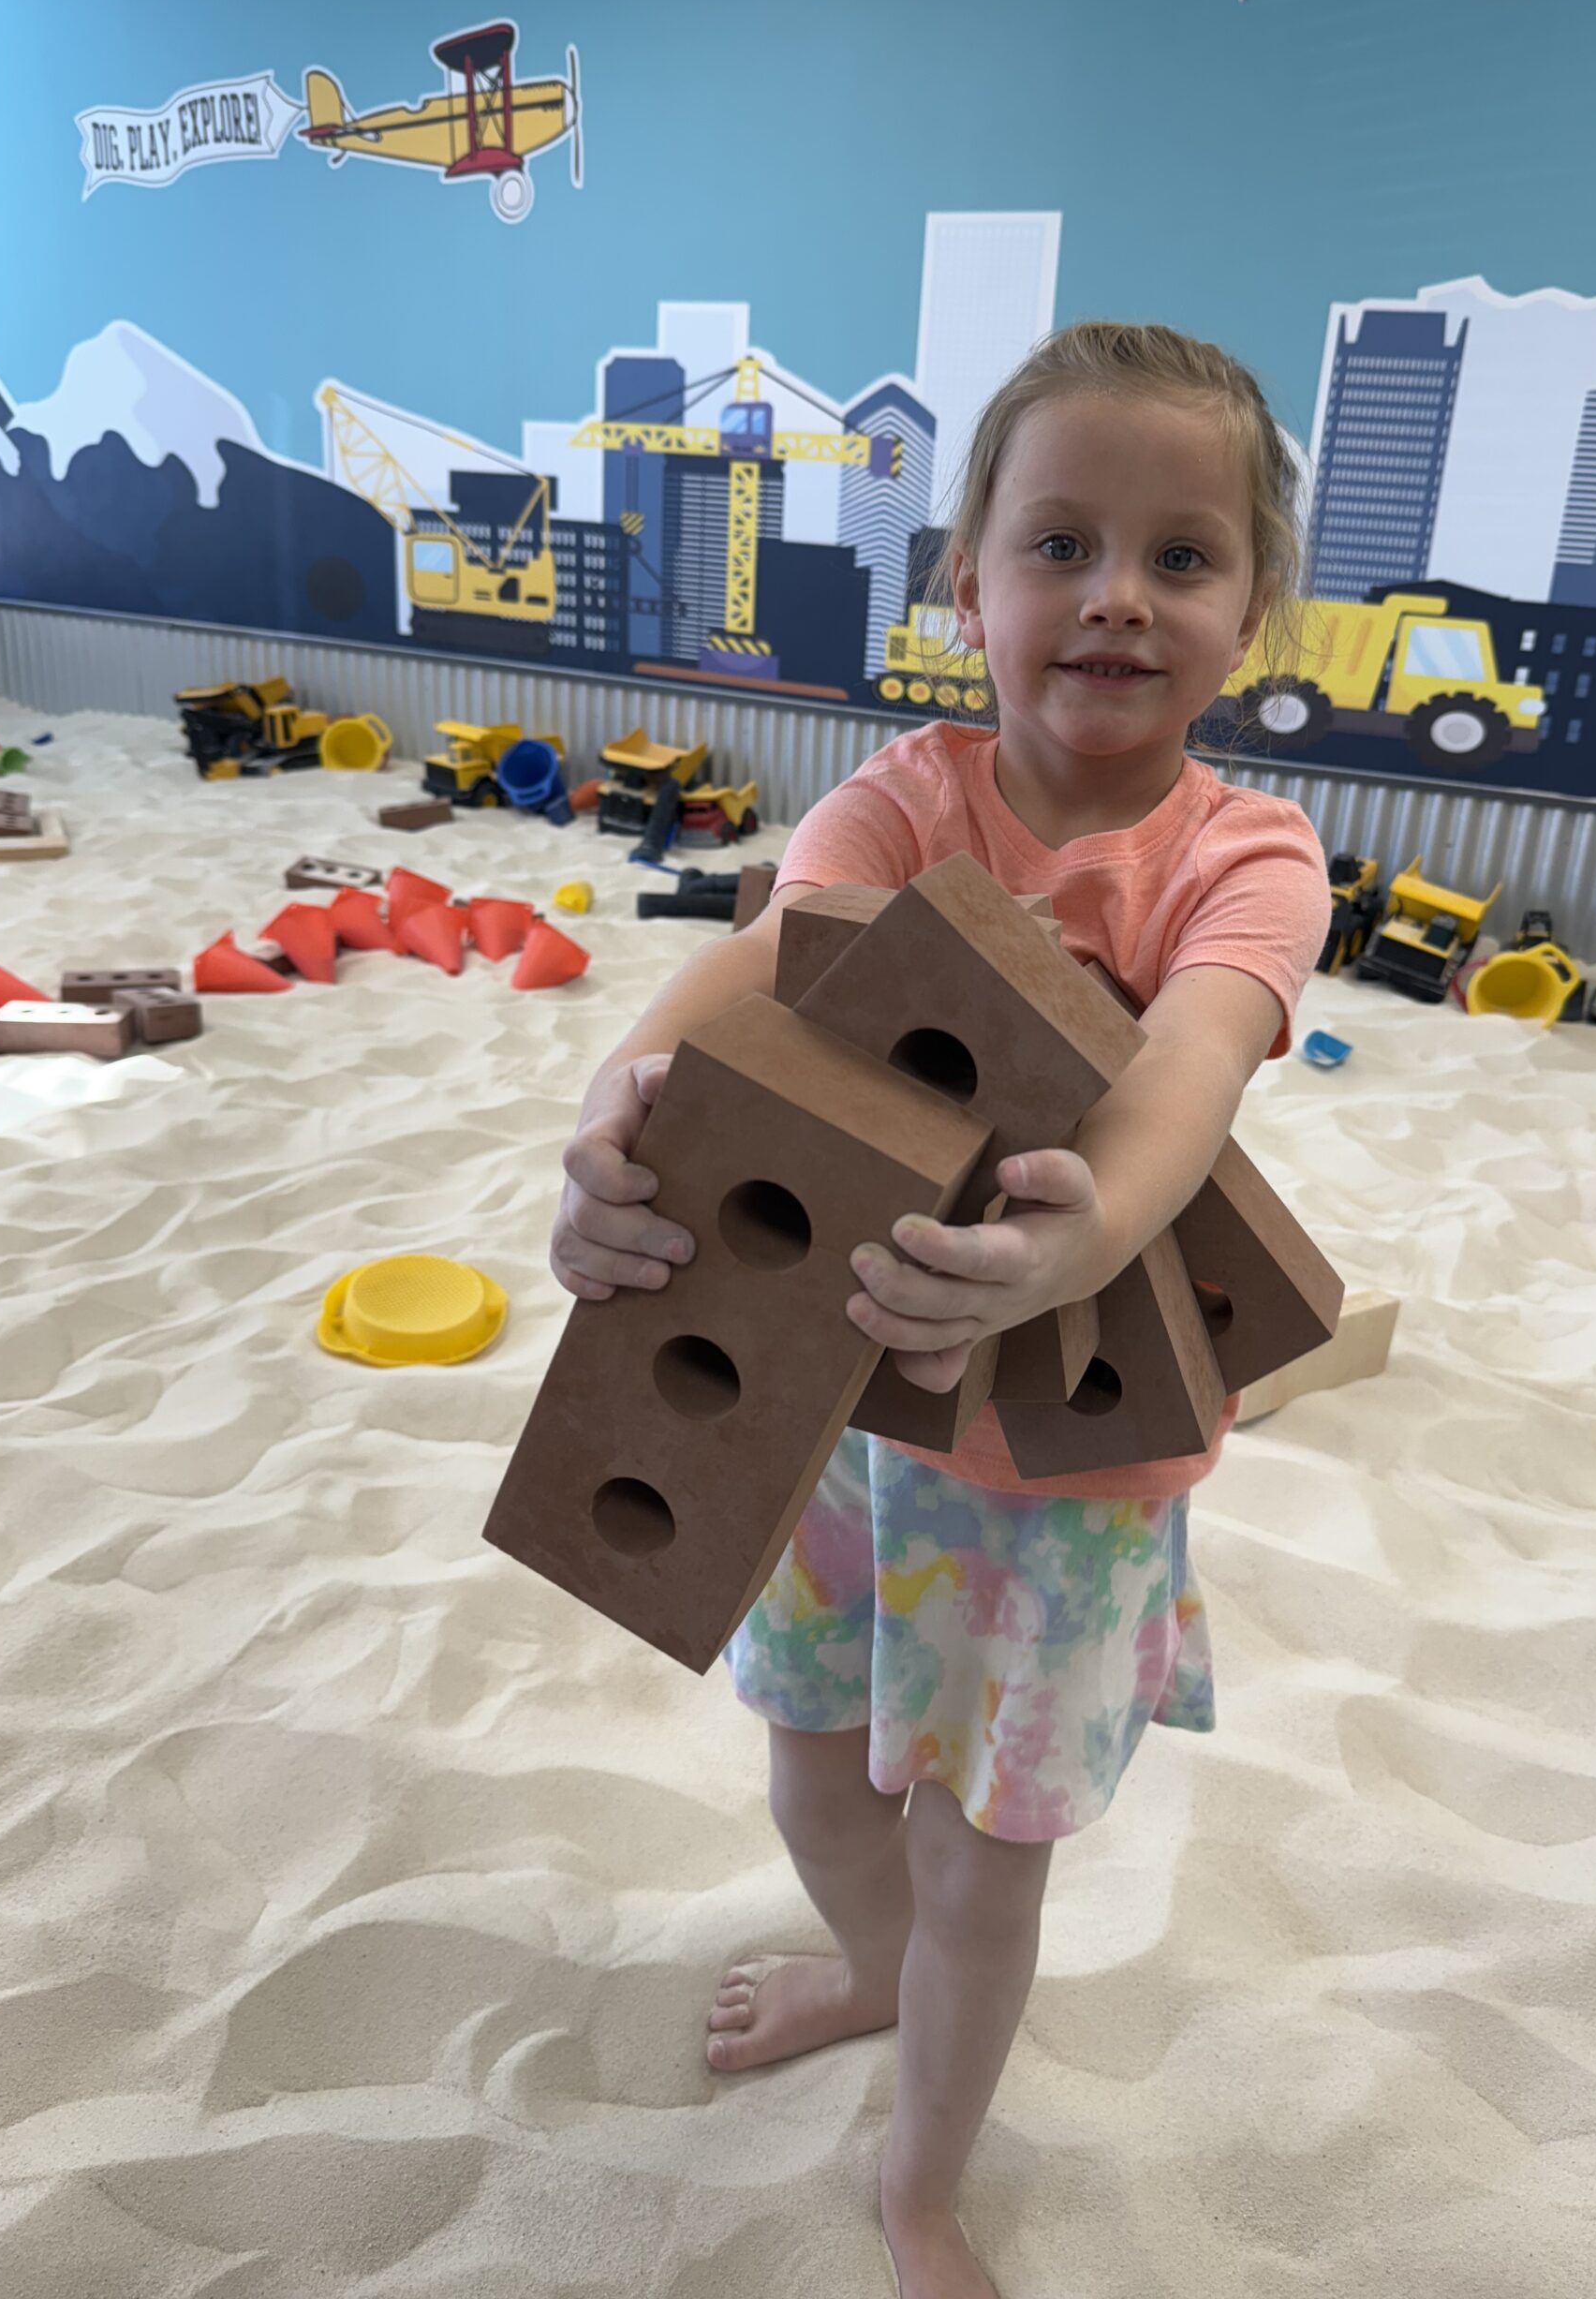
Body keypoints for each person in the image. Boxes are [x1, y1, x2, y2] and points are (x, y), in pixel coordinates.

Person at [550, 320, 1331, 2299]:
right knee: (811, 1753)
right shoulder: (903, 798)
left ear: (1257, 606)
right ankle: (867, 1961)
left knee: (988, 1851)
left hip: (1059, 1475)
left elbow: (1195, 1067)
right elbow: (758, 973)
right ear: (964, 576)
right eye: (1058, 542)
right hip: (835, 1417)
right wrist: (611, 1110)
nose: (1115, 599)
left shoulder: (1245, 853)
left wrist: (1088, 1232)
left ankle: (920, 2183)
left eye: (1182, 555)